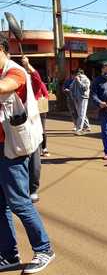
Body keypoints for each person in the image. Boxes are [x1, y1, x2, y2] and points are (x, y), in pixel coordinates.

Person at [0, 38, 55, 274]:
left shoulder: (16, 72)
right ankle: (8, 255)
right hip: (1, 146)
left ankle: (44, 249)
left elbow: (4, 87)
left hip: (12, 148)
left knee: (19, 203)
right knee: (0, 205)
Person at [21, 56, 50, 203]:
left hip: (33, 122)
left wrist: (28, 66)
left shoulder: (33, 83)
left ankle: (32, 189)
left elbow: (38, 80)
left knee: (34, 160)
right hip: (13, 128)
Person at [70, 68, 91, 135]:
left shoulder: (86, 80)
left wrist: (79, 81)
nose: (76, 76)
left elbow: (85, 88)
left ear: (81, 74)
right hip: (76, 98)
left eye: (78, 74)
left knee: (81, 113)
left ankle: (79, 129)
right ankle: (87, 126)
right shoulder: (75, 80)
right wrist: (72, 95)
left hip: (83, 98)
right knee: (80, 113)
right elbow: (71, 87)